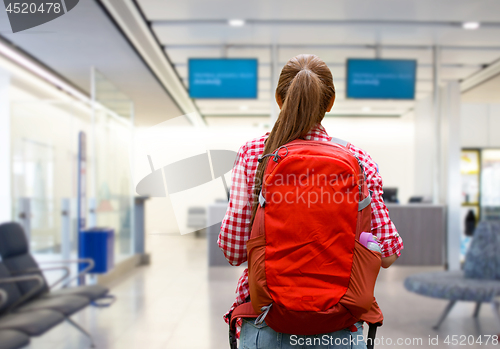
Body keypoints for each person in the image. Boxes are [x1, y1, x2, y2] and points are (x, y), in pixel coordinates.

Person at [218, 54, 404, 348]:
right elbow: (389, 253)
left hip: (266, 319)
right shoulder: (358, 159)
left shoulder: (255, 154)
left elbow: (233, 249)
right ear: (329, 104)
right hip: (341, 322)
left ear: (280, 99)